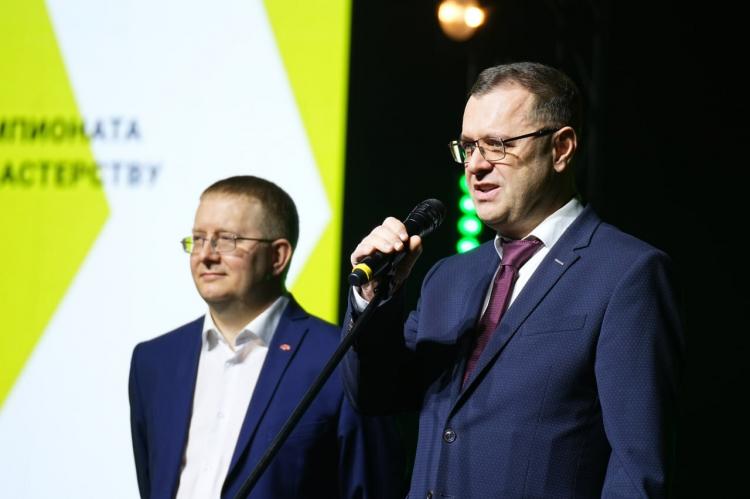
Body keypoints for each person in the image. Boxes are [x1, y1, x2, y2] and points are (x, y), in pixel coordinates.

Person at [342, 62, 684, 498]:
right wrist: (373, 297)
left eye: (497, 145)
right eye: (468, 147)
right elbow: (374, 395)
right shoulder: (448, 277)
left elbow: (637, 471)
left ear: (561, 148)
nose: (475, 165)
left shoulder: (626, 273)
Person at [129, 175, 403, 499]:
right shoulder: (154, 361)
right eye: (198, 239)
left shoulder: (340, 359)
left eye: (226, 240)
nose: (206, 255)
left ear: (278, 256)